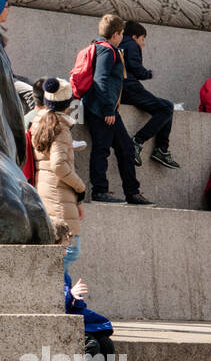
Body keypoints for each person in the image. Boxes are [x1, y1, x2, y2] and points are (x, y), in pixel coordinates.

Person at [82, 14, 152, 205]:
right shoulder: (106, 51)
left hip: (106, 108)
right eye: (121, 34)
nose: (123, 37)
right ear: (115, 34)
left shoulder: (100, 47)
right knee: (102, 149)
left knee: (126, 148)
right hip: (102, 110)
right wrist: (107, 110)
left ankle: (132, 193)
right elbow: (101, 80)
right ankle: (100, 192)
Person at [30, 77, 85, 271]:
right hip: (59, 196)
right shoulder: (60, 127)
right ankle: (61, 298)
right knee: (68, 253)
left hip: (45, 192)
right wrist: (81, 187)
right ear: (68, 103)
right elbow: (59, 165)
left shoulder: (39, 122)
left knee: (59, 256)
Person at [121, 22, 179, 170]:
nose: (143, 44)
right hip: (130, 87)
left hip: (121, 88)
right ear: (134, 36)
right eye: (142, 39)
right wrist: (149, 74)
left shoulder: (118, 43)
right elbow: (136, 68)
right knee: (167, 107)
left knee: (166, 106)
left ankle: (162, 149)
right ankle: (139, 142)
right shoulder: (131, 44)